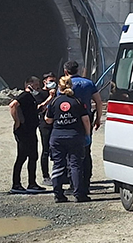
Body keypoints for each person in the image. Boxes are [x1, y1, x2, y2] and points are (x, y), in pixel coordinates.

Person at [46, 75, 92, 203]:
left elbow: (48, 119)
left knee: (58, 165)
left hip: (57, 137)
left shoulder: (54, 101)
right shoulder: (77, 101)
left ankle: (58, 194)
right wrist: (87, 135)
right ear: (71, 86)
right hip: (75, 136)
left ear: (59, 87)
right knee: (75, 165)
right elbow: (86, 119)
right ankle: (79, 194)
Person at [63, 61, 102, 193]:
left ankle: (73, 183)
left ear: (66, 71)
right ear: (78, 70)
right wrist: (98, 119)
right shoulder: (88, 83)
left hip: (70, 119)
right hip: (87, 118)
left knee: (71, 152)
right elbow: (98, 101)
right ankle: (86, 182)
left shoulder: (64, 85)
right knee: (86, 149)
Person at [9, 76, 45, 193]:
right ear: (29, 84)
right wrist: (17, 121)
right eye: (36, 84)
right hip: (24, 131)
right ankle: (16, 184)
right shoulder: (24, 95)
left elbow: (32, 110)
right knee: (22, 157)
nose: (38, 86)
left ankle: (32, 183)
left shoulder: (31, 97)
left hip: (31, 131)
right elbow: (13, 105)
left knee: (33, 156)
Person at [37, 72, 58, 183]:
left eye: (54, 81)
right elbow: (40, 108)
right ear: (45, 82)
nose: (53, 83)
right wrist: (50, 97)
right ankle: (45, 176)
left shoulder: (58, 92)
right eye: (50, 81)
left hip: (56, 124)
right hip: (44, 125)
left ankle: (59, 174)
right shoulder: (40, 93)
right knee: (46, 150)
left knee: (57, 149)